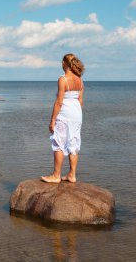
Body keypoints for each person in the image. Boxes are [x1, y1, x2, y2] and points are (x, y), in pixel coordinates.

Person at [41, 53, 84, 183]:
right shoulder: (80, 80)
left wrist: (53, 120)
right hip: (77, 113)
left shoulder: (63, 79)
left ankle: (56, 175)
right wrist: (75, 113)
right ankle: (72, 174)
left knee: (58, 142)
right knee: (73, 143)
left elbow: (59, 101)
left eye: (62, 62)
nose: (61, 64)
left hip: (65, 112)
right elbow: (80, 100)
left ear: (65, 64)